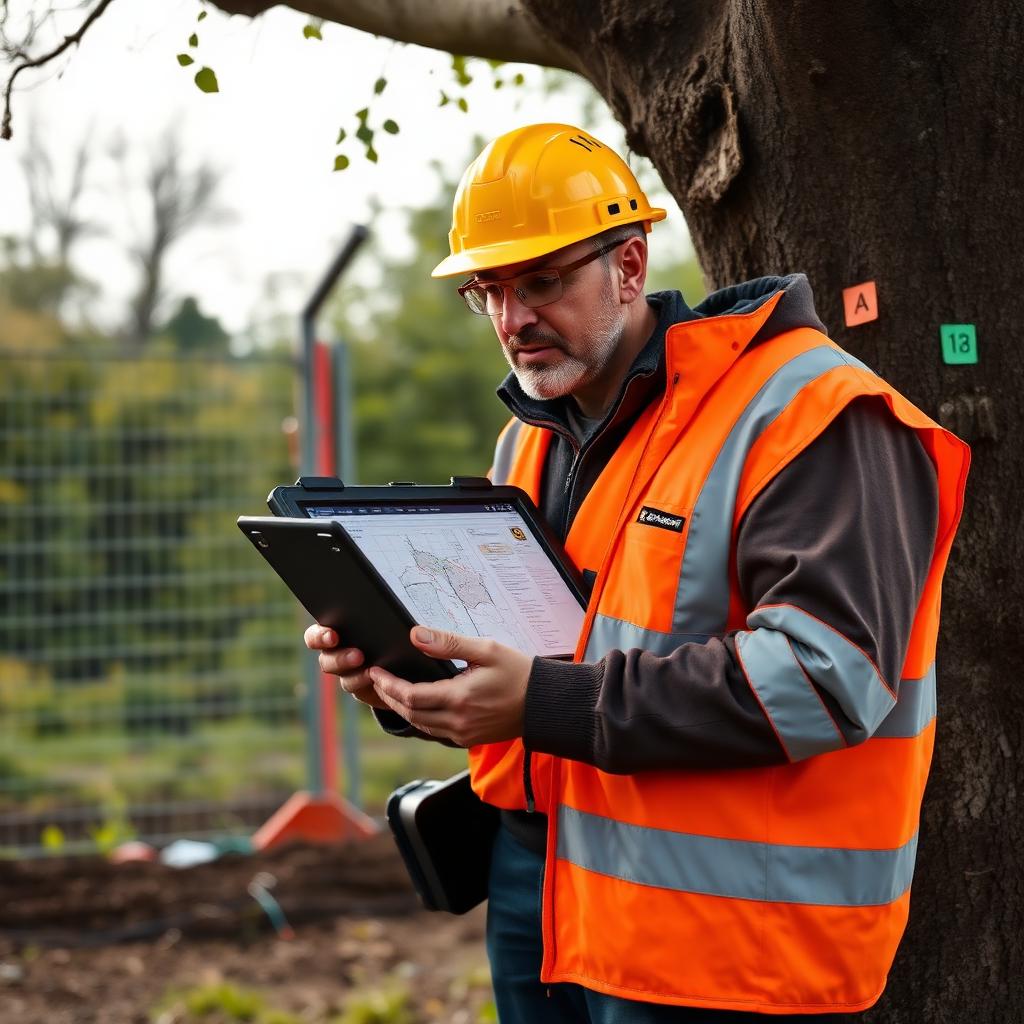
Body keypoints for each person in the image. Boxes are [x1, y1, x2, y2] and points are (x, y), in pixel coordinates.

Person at [305, 123, 969, 1022]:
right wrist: (411, 682)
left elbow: (824, 680)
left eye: (542, 280)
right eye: (487, 291)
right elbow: (540, 663)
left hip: (731, 945)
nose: (512, 320)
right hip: (548, 898)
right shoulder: (530, 440)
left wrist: (539, 702)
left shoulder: (812, 413)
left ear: (629, 263)